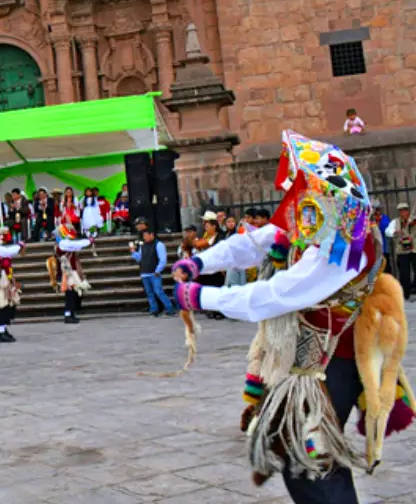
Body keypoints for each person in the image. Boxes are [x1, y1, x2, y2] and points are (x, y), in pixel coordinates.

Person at [171, 131, 411, 503]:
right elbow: (256, 242)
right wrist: (201, 261)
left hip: (332, 363)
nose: (296, 186)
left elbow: (278, 293)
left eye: (306, 179)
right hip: (307, 359)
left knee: (311, 459)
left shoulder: (346, 239)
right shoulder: (314, 218)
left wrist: (202, 295)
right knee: (302, 452)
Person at [48, 224, 92, 323]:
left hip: (71, 271)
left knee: (73, 293)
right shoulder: (62, 244)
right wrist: (89, 241)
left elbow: (76, 250)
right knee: (70, 293)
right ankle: (68, 314)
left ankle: (71, 312)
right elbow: (76, 245)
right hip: (66, 272)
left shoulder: (67, 243)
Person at [131, 230, 175, 317]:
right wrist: (133, 252)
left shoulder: (159, 244)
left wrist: (158, 270)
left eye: (146, 235)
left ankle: (170, 308)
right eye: (143, 236)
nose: (145, 238)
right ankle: (154, 310)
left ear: (152, 235)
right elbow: (140, 258)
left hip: (154, 273)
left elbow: (163, 259)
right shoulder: (142, 246)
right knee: (149, 293)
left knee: (158, 291)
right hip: (145, 273)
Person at [386, 202, 415, 301]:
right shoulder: (395, 222)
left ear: (408, 211)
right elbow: (387, 231)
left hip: (414, 250)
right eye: (401, 211)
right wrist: (395, 232)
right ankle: (406, 294)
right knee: (404, 273)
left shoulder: (413, 220)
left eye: (405, 210)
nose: (404, 213)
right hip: (402, 251)